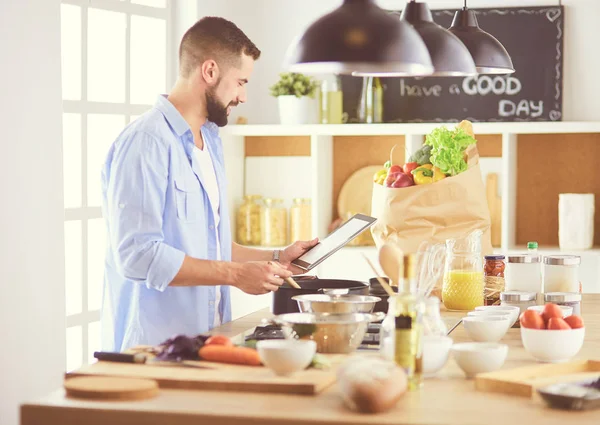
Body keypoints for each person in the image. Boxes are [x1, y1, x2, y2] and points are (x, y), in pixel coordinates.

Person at [100, 16, 318, 352]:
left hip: (207, 342)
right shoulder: (147, 142)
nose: (243, 96)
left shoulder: (211, 140)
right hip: (152, 351)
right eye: (241, 82)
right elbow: (137, 255)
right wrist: (235, 275)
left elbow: (209, 245)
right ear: (210, 71)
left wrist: (276, 258)